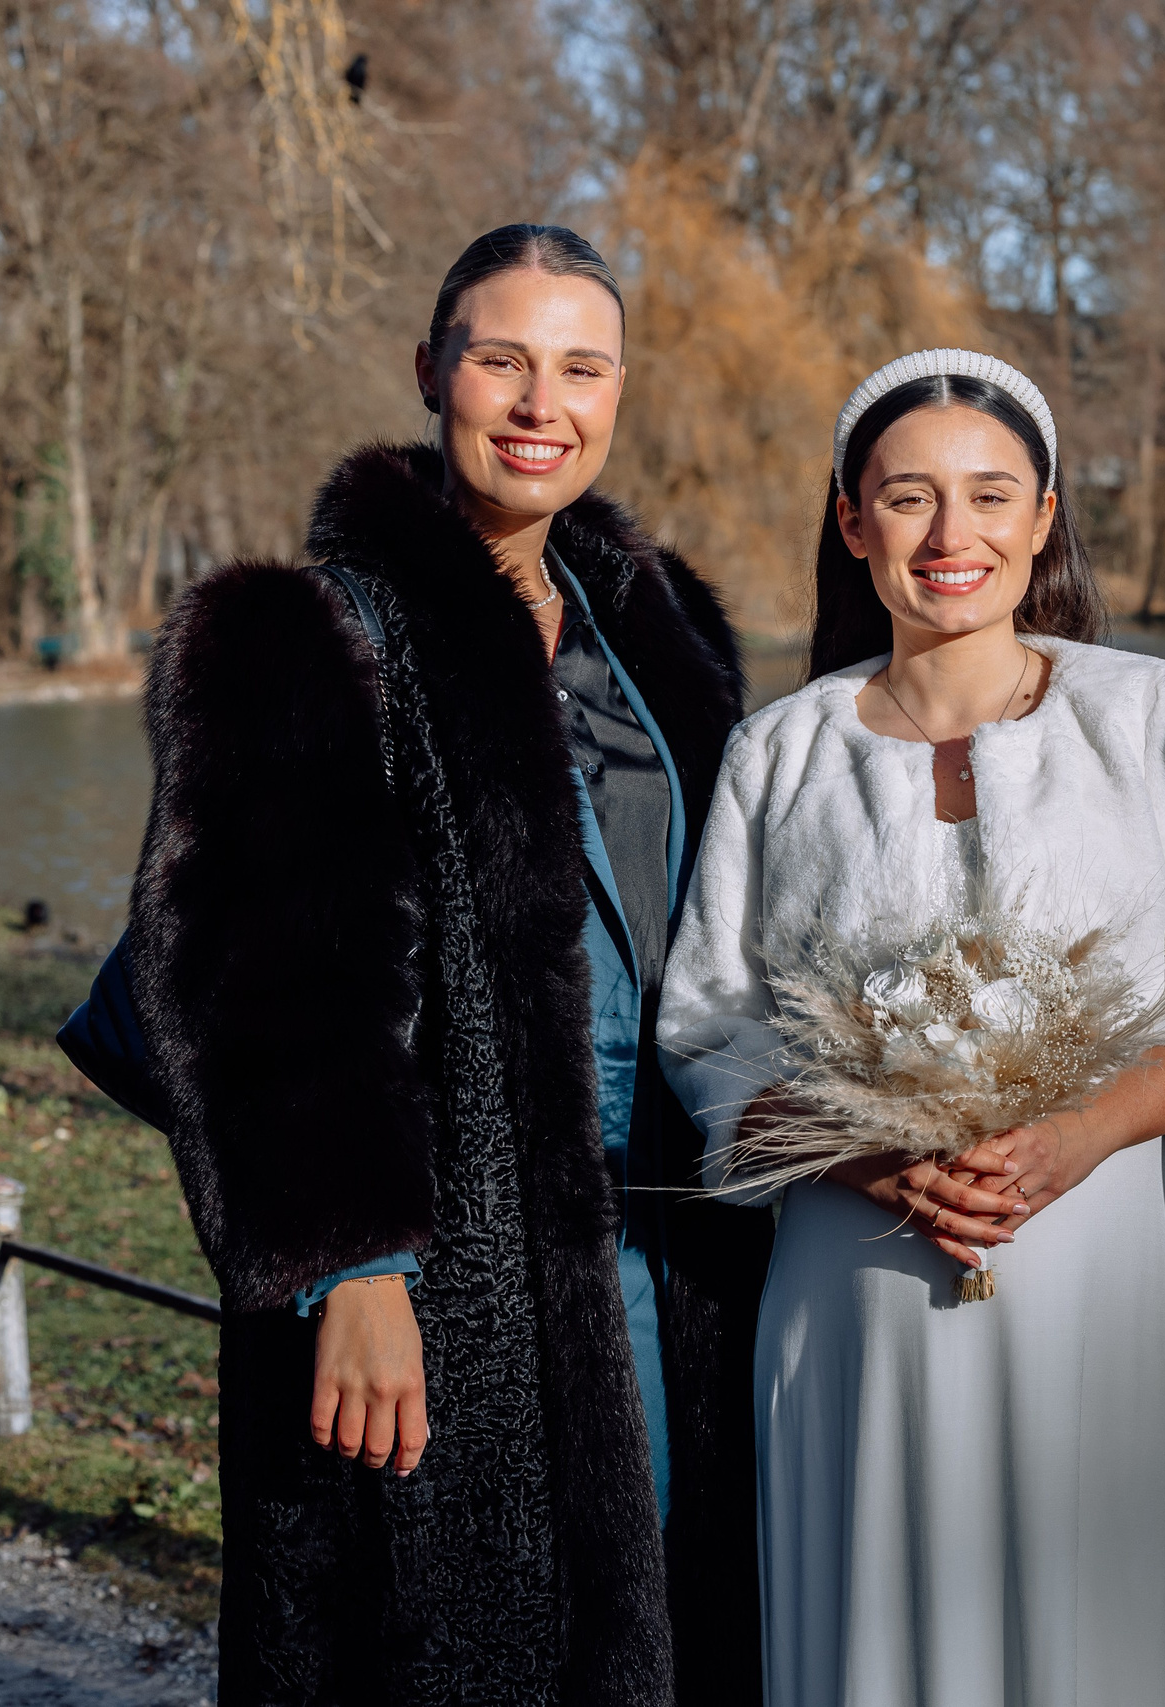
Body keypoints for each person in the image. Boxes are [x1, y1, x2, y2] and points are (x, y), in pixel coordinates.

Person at [129, 224, 772, 1704]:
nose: (542, 401)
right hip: (446, 1254)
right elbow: (257, 974)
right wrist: (350, 1267)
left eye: (581, 367)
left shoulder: (662, 640)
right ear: (432, 372)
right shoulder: (301, 634)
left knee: (672, 1629)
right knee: (452, 1647)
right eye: (502, 359)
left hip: (668, 1247)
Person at [656, 349, 1165, 1707]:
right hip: (857, 1281)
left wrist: (1083, 1134)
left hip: (1101, 1265)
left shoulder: (1151, 716)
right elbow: (709, 1026)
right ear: (850, 521)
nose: (954, 537)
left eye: (992, 496)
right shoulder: (781, 753)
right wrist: (864, 1157)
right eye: (909, 499)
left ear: (1046, 514)